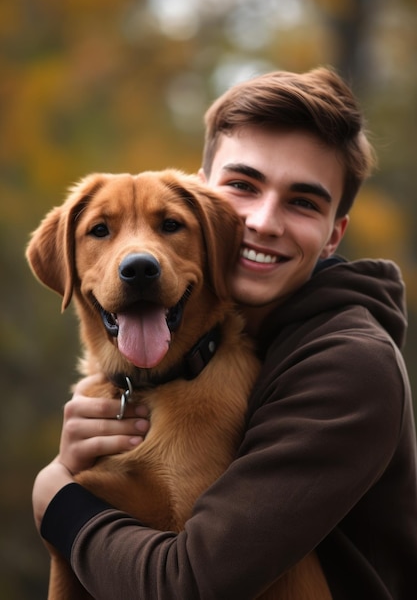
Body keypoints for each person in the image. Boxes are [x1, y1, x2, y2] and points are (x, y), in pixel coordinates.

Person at [32, 67, 417, 599]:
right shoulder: (216, 342)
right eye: (243, 185)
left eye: (304, 201)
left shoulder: (350, 366)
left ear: (334, 235)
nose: (261, 221)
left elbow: (191, 583)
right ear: (207, 195)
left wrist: (61, 504)